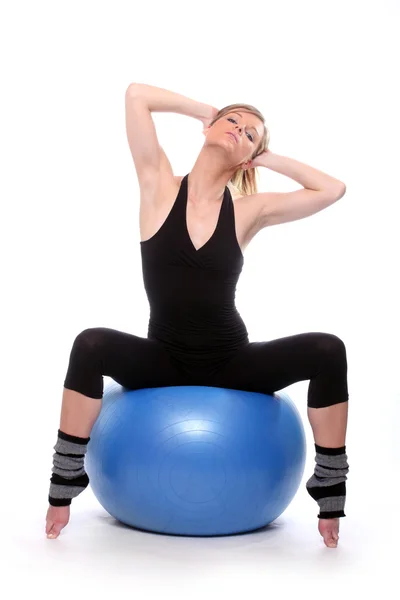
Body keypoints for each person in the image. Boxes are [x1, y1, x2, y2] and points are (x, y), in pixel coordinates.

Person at [46, 83, 349, 548]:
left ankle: (329, 491)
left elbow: (333, 189)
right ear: (210, 126)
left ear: (251, 156)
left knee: (328, 350)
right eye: (234, 121)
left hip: (231, 359)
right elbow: (135, 97)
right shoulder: (158, 185)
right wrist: (203, 111)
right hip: (163, 359)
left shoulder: (249, 211)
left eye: (251, 134)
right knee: (90, 343)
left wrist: (264, 157)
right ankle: (63, 486)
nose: (240, 131)